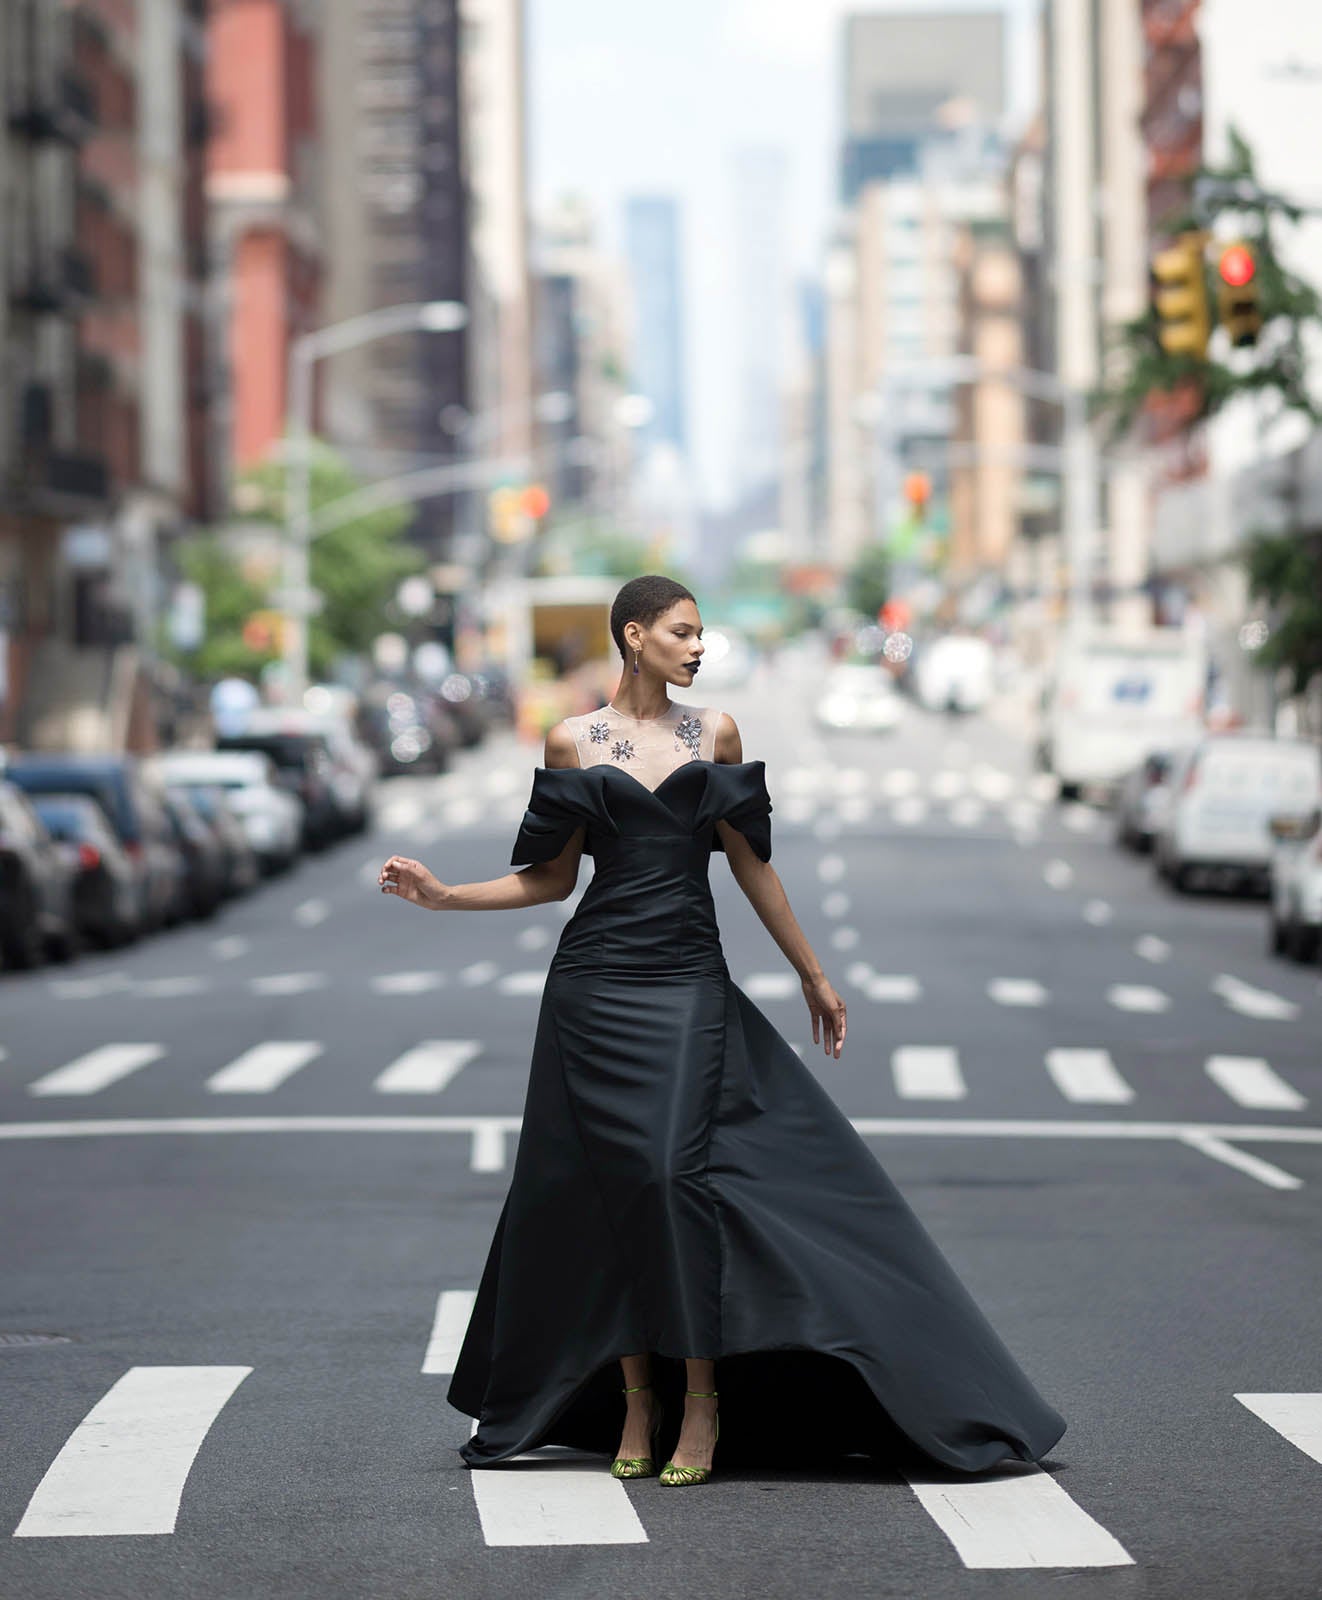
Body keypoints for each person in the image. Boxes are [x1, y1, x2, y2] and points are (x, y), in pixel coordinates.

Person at [379, 574, 1066, 1488]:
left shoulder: (719, 734)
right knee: (610, 1189)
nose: (698, 647)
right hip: (592, 991)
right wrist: (444, 894)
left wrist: (814, 977)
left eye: (701, 634)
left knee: (671, 1176)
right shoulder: (572, 739)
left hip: (688, 983)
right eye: (682, 631)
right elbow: (550, 880)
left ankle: (702, 1398)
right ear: (634, 636)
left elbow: (753, 868)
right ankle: (635, 1396)